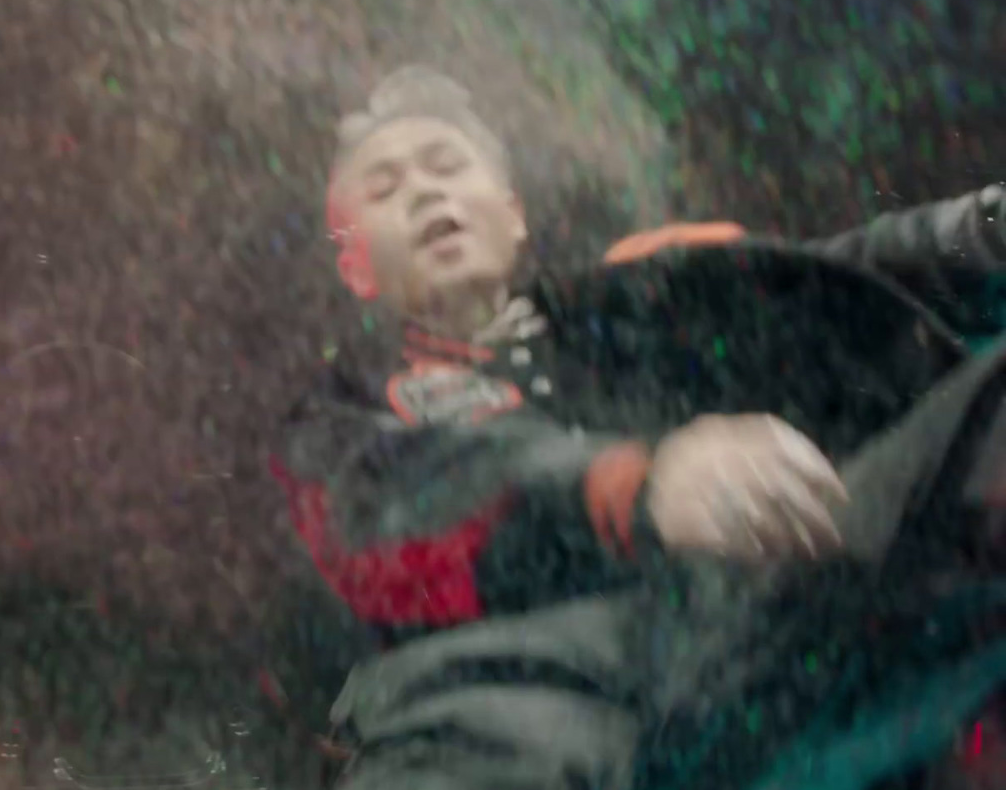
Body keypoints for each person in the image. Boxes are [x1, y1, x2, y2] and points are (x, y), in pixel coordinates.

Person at [272, 65, 1006, 790]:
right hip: (503, 715)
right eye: (385, 187)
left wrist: (981, 232)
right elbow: (385, 508)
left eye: (446, 165)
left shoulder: (643, 295)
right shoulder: (341, 412)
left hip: (756, 638)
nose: (426, 189)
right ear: (355, 264)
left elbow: (835, 280)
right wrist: (628, 486)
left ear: (512, 210)